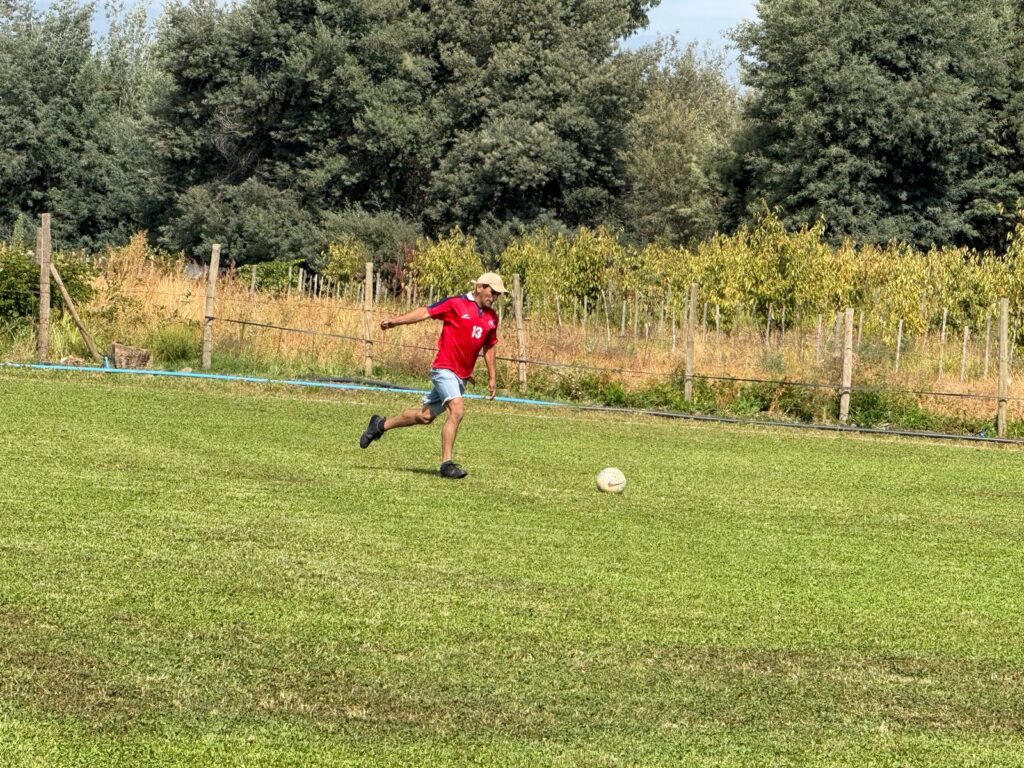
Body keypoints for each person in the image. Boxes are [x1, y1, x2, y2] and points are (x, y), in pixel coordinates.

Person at [359, 272, 507, 479]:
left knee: (425, 416)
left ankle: (380, 425)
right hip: (444, 369)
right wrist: (396, 321)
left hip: (461, 377)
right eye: (493, 292)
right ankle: (446, 464)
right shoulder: (456, 304)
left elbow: (489, 347)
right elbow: (425, 312)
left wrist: (492, 377)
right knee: (457, 410)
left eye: (499, 294)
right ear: (480, 287)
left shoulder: (492, 318)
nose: (495, 297)